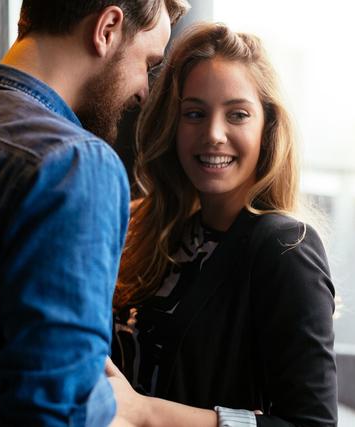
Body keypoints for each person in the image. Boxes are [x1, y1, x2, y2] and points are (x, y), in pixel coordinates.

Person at [0, 1, 188, 426]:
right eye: (147, 63)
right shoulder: (77, 163)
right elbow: (55, 413)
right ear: (107, 28)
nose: (144, 90)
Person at [107, 23, 338, 427]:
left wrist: (147, 413)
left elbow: (312, 424)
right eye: (194, 113)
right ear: (172, 126)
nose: (213, 134)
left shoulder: (286, 248)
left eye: (237, 115)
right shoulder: (152, 227)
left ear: (266, 129)